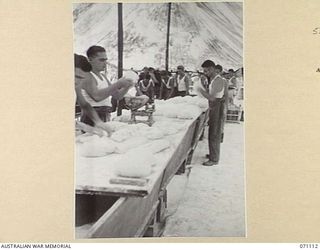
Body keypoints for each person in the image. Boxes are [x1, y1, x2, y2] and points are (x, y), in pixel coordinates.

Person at [80, 46, 133, 126]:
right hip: (91, 116)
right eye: (101, 60)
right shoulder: (87, 75)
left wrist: (127, 86)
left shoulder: (103, 76)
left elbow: (117, 96)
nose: (105, 63)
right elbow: (96, 96)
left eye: (105, 60)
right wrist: (118, 84)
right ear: (90, 60)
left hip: (105, 114)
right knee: (94, 138)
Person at [196, 60, 225, 166]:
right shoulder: (213, 80)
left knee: (214, 133)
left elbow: (212, 98)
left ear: (212, 69)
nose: (205, 73)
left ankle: (214, 159)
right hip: (214, 106)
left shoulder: (219, 80)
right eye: (204, 71)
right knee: (212, 131)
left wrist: (200, 90)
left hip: (217, 106)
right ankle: (213, 154)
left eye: (207, 70)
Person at [74, 54, 112, 134]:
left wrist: (98, 122)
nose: (77, 82)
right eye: (76, 76)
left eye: (81, 78)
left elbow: (84, 104)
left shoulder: (76, 85)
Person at [214, 64, 228, 143]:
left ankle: (220, 138)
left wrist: (225, 106)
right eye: (215, 72)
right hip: (215, 104)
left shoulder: (224, 81)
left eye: (218, 72)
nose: (217, 73)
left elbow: (225, 94)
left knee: (220, 122)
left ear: (221, 72)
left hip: (221, 104)